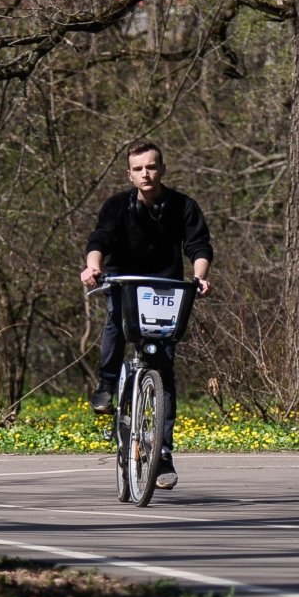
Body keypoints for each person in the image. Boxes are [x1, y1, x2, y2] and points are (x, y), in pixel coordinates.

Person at [80, 141, 213, 490]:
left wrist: (199, 276)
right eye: (138, 169)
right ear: (130, 174)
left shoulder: (184, 206)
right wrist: (93, 268)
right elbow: (100, 240)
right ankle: (107, 385)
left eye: (151, 167)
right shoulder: (116, 206)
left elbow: (198, 245)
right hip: (124, 284)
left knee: (164, 370)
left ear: (163, 169)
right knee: (115, 323)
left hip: (166, 292)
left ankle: (163, 452)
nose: (146, 173)